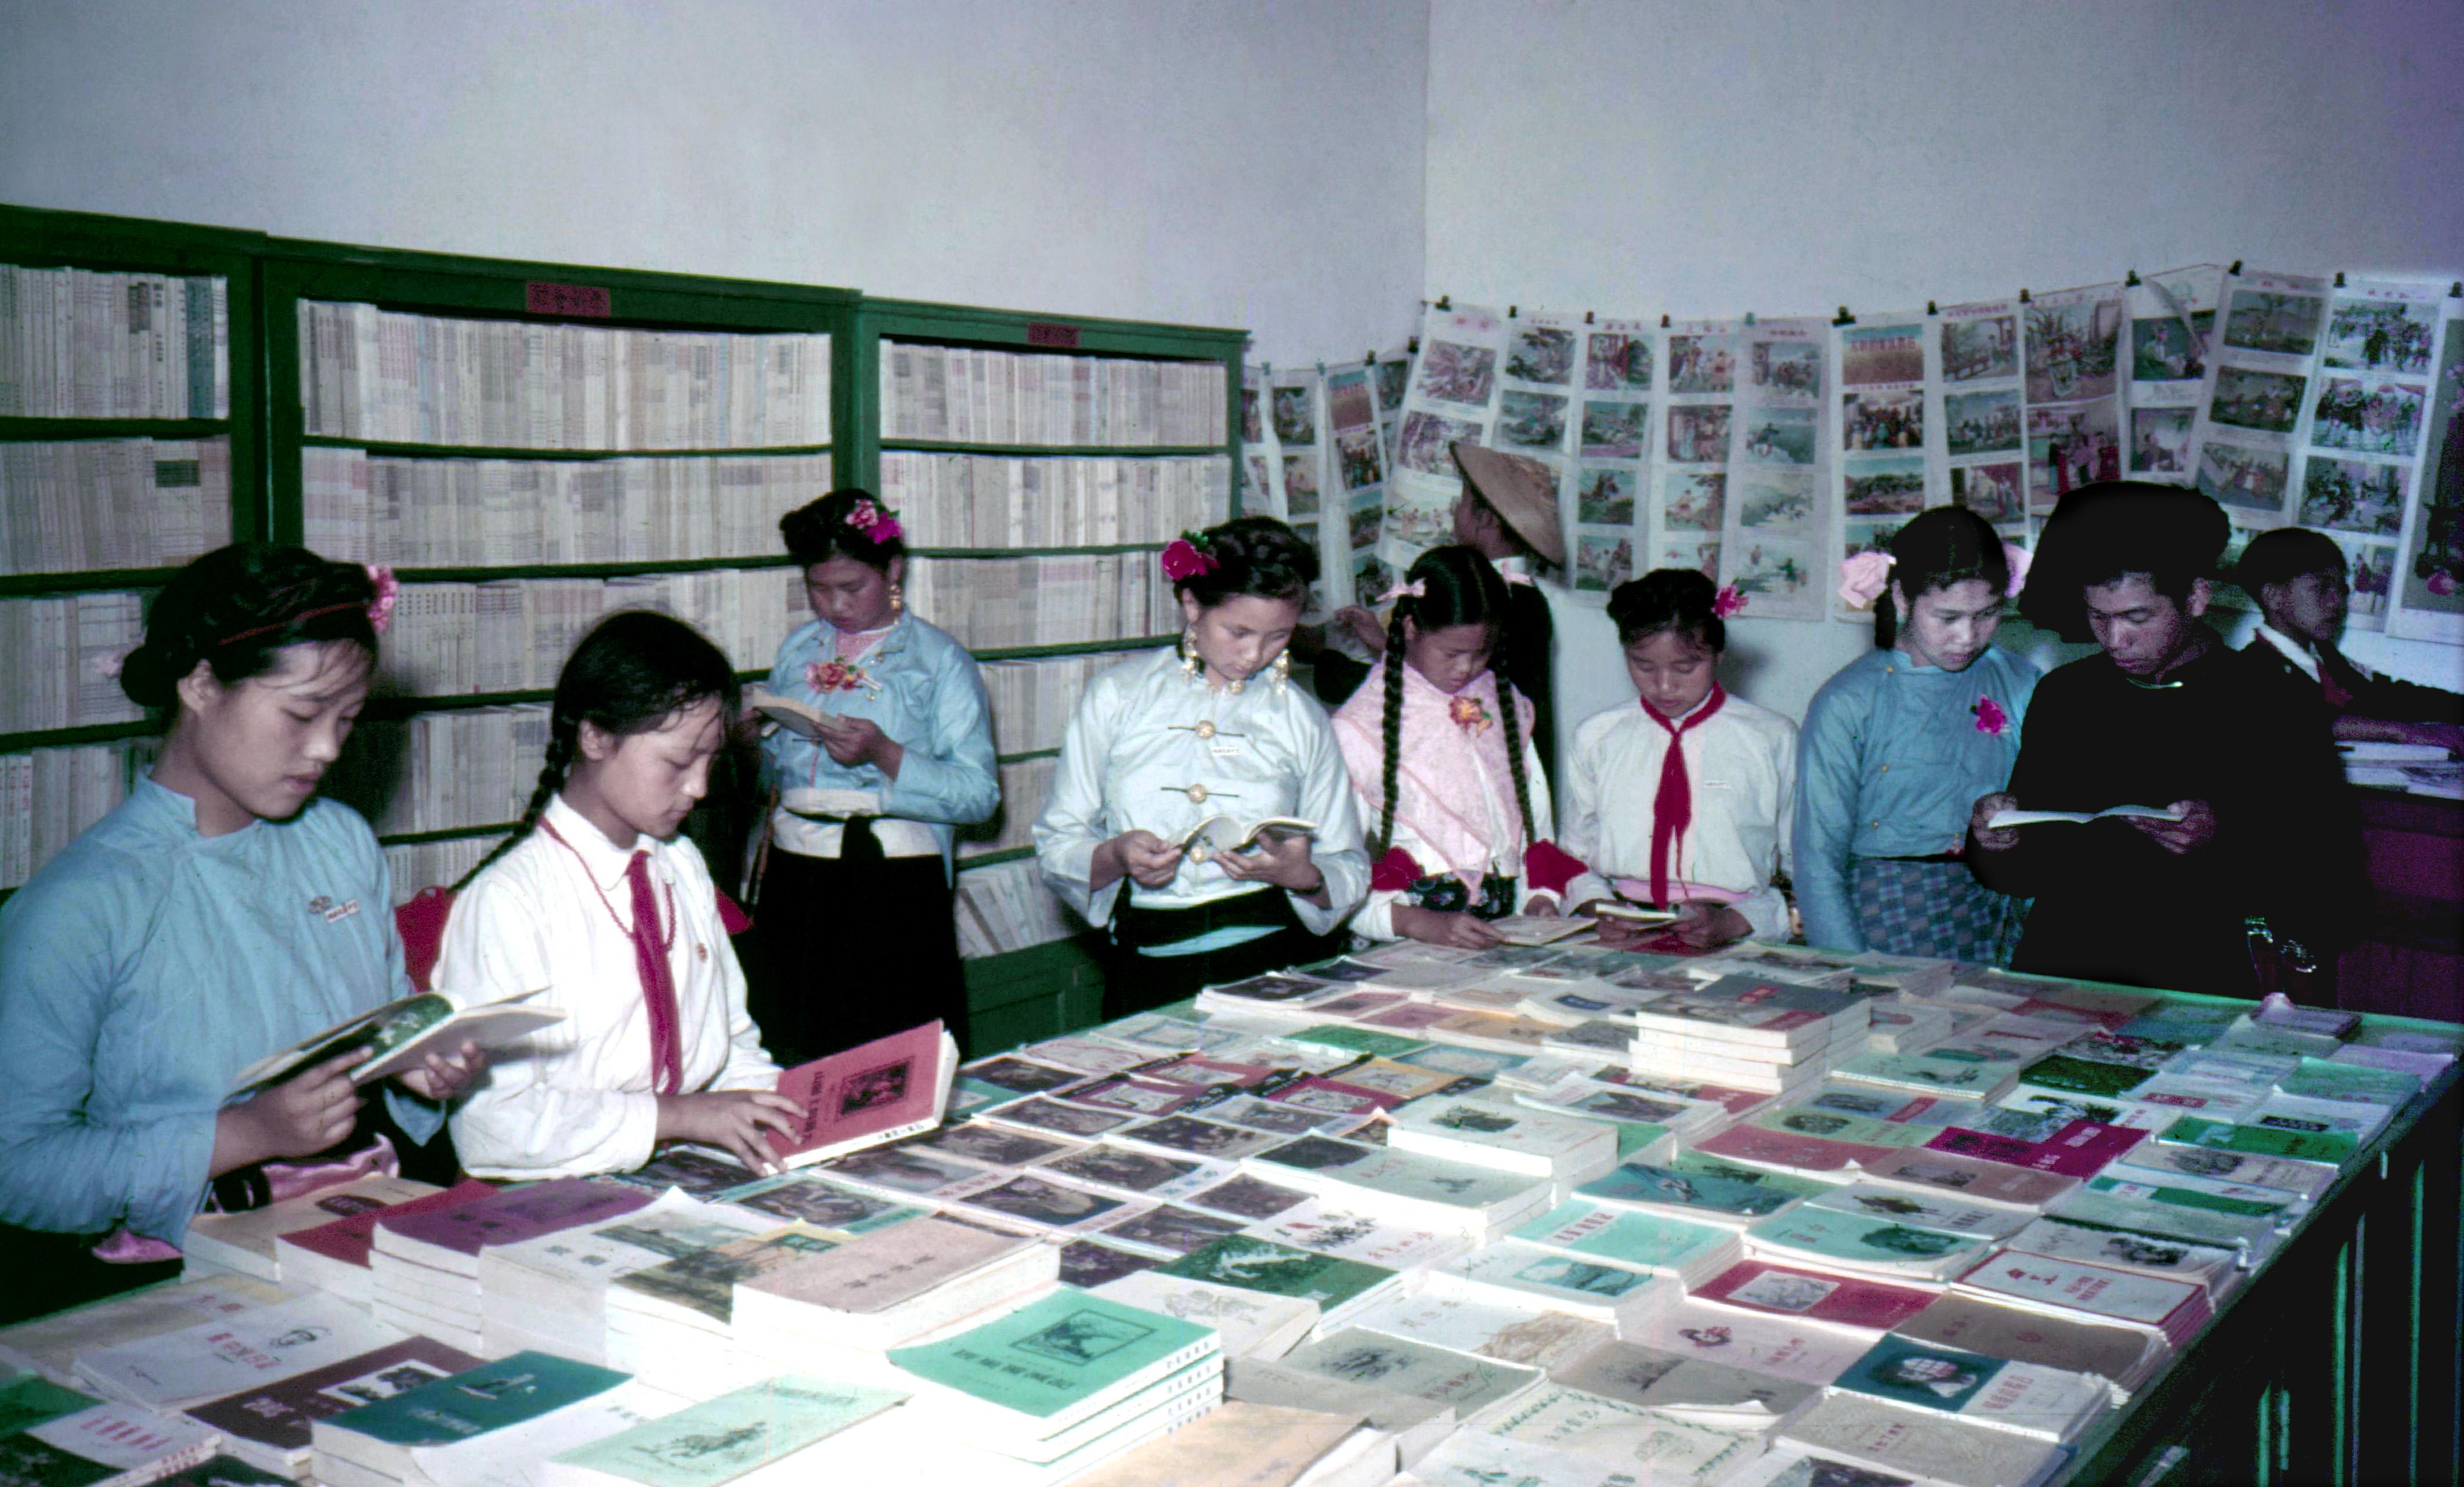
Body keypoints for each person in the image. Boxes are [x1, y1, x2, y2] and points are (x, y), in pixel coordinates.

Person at [0, 545, 478, 1321]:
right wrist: (244, 1132)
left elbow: (382, 1017)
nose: (326, 749)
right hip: (187, 1280)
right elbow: (18, 1170)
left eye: (346, 720)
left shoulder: (341, 841)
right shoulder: (80, 904)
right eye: (301, 714)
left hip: (369, 1228)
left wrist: (416, 1063)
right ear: (199, 684)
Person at [437, 611, 799, 1180]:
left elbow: (731, 1045)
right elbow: (493, 1125)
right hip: (551, 1191)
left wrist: (790, 1116)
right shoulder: (509, 901)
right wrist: (675, 1116)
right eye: (678, 762)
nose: (699, 787)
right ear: (595, 736)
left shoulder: (681, 864)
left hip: (681, 1172)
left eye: (710, 761)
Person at [1964, 483, 2357, 997]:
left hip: (2197, 977)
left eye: (2138, 617)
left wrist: (2222, 839)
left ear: (2195, 597)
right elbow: (2022, 873)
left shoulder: (2273, 701)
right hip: (2066, 969)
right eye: (2098, 616)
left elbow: (2333, 880)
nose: (2115, 639)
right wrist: (1996, 839)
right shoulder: (2067, 693)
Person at [1035, 516, 1368, 1016]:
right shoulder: (1117, 696)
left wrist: (1306, 878)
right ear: (1192, 605)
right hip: (1147, 967)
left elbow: (1348, 864)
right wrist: (1117, 855)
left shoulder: (1301, 718)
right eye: (1238, 632)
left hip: (1274, 967)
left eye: (1278, 636)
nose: (1254, 655)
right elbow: (1058, 843)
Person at [746, 490, 998, 1062]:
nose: (834, 604)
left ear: (893, 570)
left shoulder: (938, 659)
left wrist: (885, 753)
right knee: (792, 1048)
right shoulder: (797, 650)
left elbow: (979, 796)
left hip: (890, 880)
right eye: (818, 588)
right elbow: (776, 778)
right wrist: (748, 743)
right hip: (797, 872)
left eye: (852, 587)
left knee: (888, 1057)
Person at [1795, 507, 2040, 960]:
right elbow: (1817, 856)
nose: (1967, 636)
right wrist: (1848, 966)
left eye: (1987, 614)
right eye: (1947, 618)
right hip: (1889, 914)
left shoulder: (2022, 681)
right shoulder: (1849, 700)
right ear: (1902, 598)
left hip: (2004, 906)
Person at [1330, 545, 1583, 947]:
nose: (1465, 669)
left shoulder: (1502, 705)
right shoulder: (1360, 726)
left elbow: (1535, 823)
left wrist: (1540, 898)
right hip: (1409, 931)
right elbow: (1335, 871)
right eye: (1451, 654)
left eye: (1482, 653)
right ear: (1410, 627)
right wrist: (1417, 923)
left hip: (1502, 926)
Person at [1559, 569, 1797, 951]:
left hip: (1736, 929)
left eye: (1686, 667)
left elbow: (1800, 866)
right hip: (1622, 925)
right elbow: (1574, 855)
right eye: (1644, 666)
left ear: (1718, 654)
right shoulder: (1598, 735)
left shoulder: (1772, 737)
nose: (1665, 686)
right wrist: (1597, 908)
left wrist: (1736, 921)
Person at [1312, 443, 1562, 784]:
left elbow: (1448, 695)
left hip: (1497, 774)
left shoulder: (1500, 601)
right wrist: (1384, 643)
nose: (1454, 513)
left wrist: (1322, 658)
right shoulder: (1522, 594)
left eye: (1461, 504)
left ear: (1485, 519)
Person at [2233, 526, 2462, 752]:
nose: (2337, 601)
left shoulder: (2328, 659)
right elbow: (2301, 718)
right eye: (2321, 588)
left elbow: (2392, 697)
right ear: (2274, 597)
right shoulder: (2253, 667)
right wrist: (2401, 731)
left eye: (2342, 589)